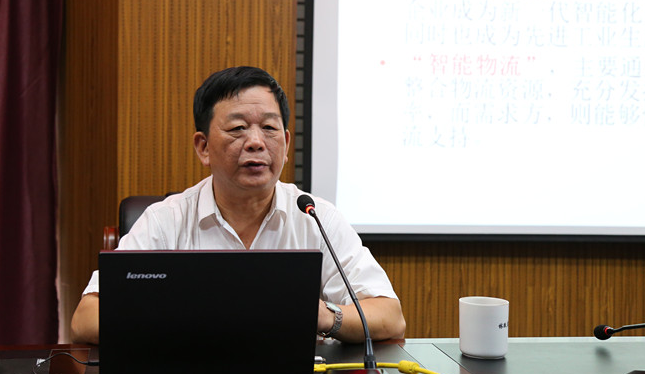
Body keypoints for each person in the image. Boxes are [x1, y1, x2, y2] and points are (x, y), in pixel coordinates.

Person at [71, 66, 405, 344]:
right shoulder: (166, 220)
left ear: (286, 144)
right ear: (203, 147)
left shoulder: (315, 216)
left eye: (269, 128)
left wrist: (324, 316)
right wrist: (186, 320)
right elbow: (86, 318)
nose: (256, 142)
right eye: (238, 128)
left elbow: (390, 317)